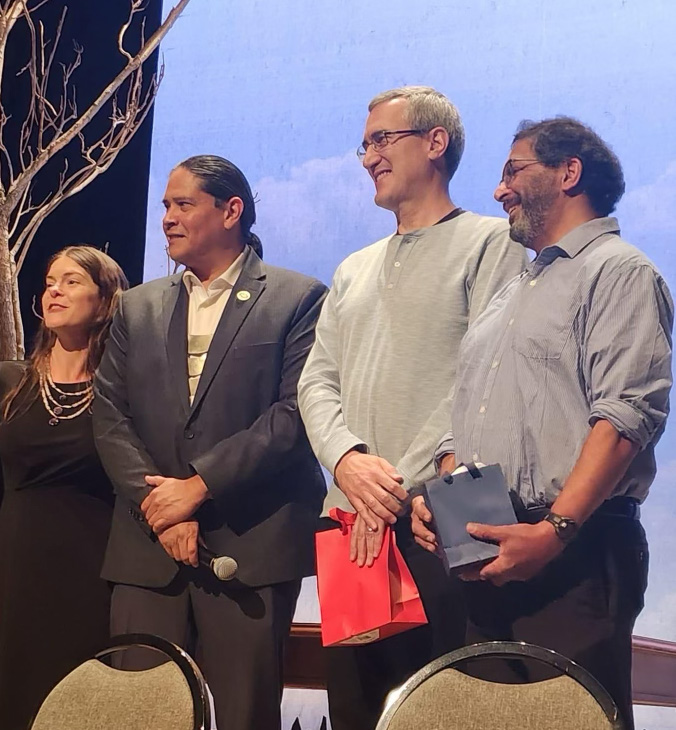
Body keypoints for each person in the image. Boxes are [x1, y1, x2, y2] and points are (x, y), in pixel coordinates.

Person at [412, 116, 673, 730]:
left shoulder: (619, 271)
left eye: (512, 171)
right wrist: (444, 498)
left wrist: (554, 530)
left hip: (573, 554)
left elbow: (626, 417)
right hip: (487, 550)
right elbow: (464, 418)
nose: (499, 190)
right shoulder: (512, 291)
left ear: (568, 172)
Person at [297, 86, 528, 729]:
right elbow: (317, 383)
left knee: (451, 703)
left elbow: (484, 377)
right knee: (356, 707)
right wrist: (347, 462)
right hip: (351, 519)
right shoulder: (352, 268)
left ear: (435, 143)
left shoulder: (493, 243)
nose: (368, 156)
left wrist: (392, 483)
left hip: (450, 507)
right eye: (364, 143)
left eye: (381, 140)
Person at [92, 154, 328, 730]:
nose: (168, 218)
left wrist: (198, 488)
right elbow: (110, 414)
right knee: (140, 712)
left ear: (231, 211)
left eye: (183, 204)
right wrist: (165, 511)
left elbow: (294, 416)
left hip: (249, 547)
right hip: (149, 548)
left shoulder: (297, 298)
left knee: (245, 714)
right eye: (165, 206)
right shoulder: (138, 305)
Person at [0, 245, 128, 730]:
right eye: (51, 281)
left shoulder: (121, 391)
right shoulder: (10, 382)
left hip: (89, 570)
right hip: (15, 562)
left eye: (72, 281)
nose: (54, 289)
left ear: (105, 299)